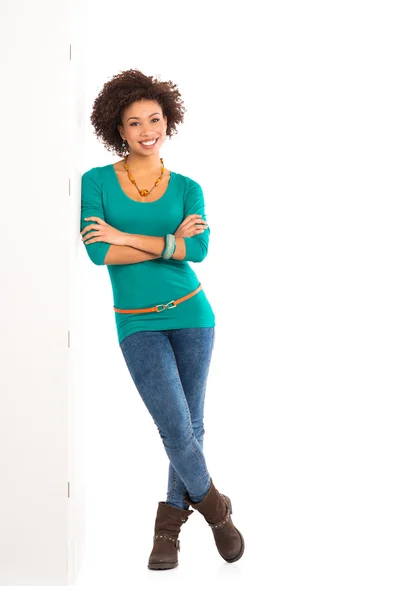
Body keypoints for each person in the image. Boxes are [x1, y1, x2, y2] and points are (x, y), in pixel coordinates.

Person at [80, 68, 244, 570]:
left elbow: (197, 249)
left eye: (155, 118)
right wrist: (168, 245)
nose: (147, 129)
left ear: (168, 121)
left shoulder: (188, 187)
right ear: (118, 129)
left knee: (188, 427)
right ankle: (216, 510)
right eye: (134, 123)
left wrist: (125, 236)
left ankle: (169, 528)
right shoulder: (96, 182)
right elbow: (96, 253)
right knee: (176, 427)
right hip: (137, 323)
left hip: (194, 315)